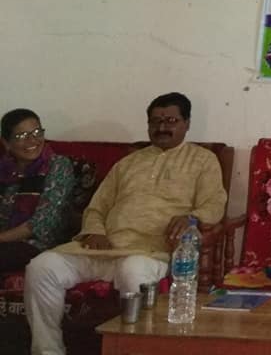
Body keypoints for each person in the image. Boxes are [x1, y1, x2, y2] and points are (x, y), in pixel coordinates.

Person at [25, 92, 227, 355]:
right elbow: (97, 207)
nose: (162, 127)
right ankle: (48, 351)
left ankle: (136, 350)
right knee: (41, 267)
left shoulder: (203, 160)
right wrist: (94, 231)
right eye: (155, 121)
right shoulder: (127, 163)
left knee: (132, 270)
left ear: (187, 123)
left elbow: (214, 204)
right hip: (102, 248)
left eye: (171, 121)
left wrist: (192, 218)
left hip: (149, 252)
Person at [0, 109, 75, 272]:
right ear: (6, 143)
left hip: (40, 245)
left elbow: (42, 224)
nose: (32, 140)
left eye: (36, 132)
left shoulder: (58, 166)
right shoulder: (4, 169)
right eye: (21, 136)